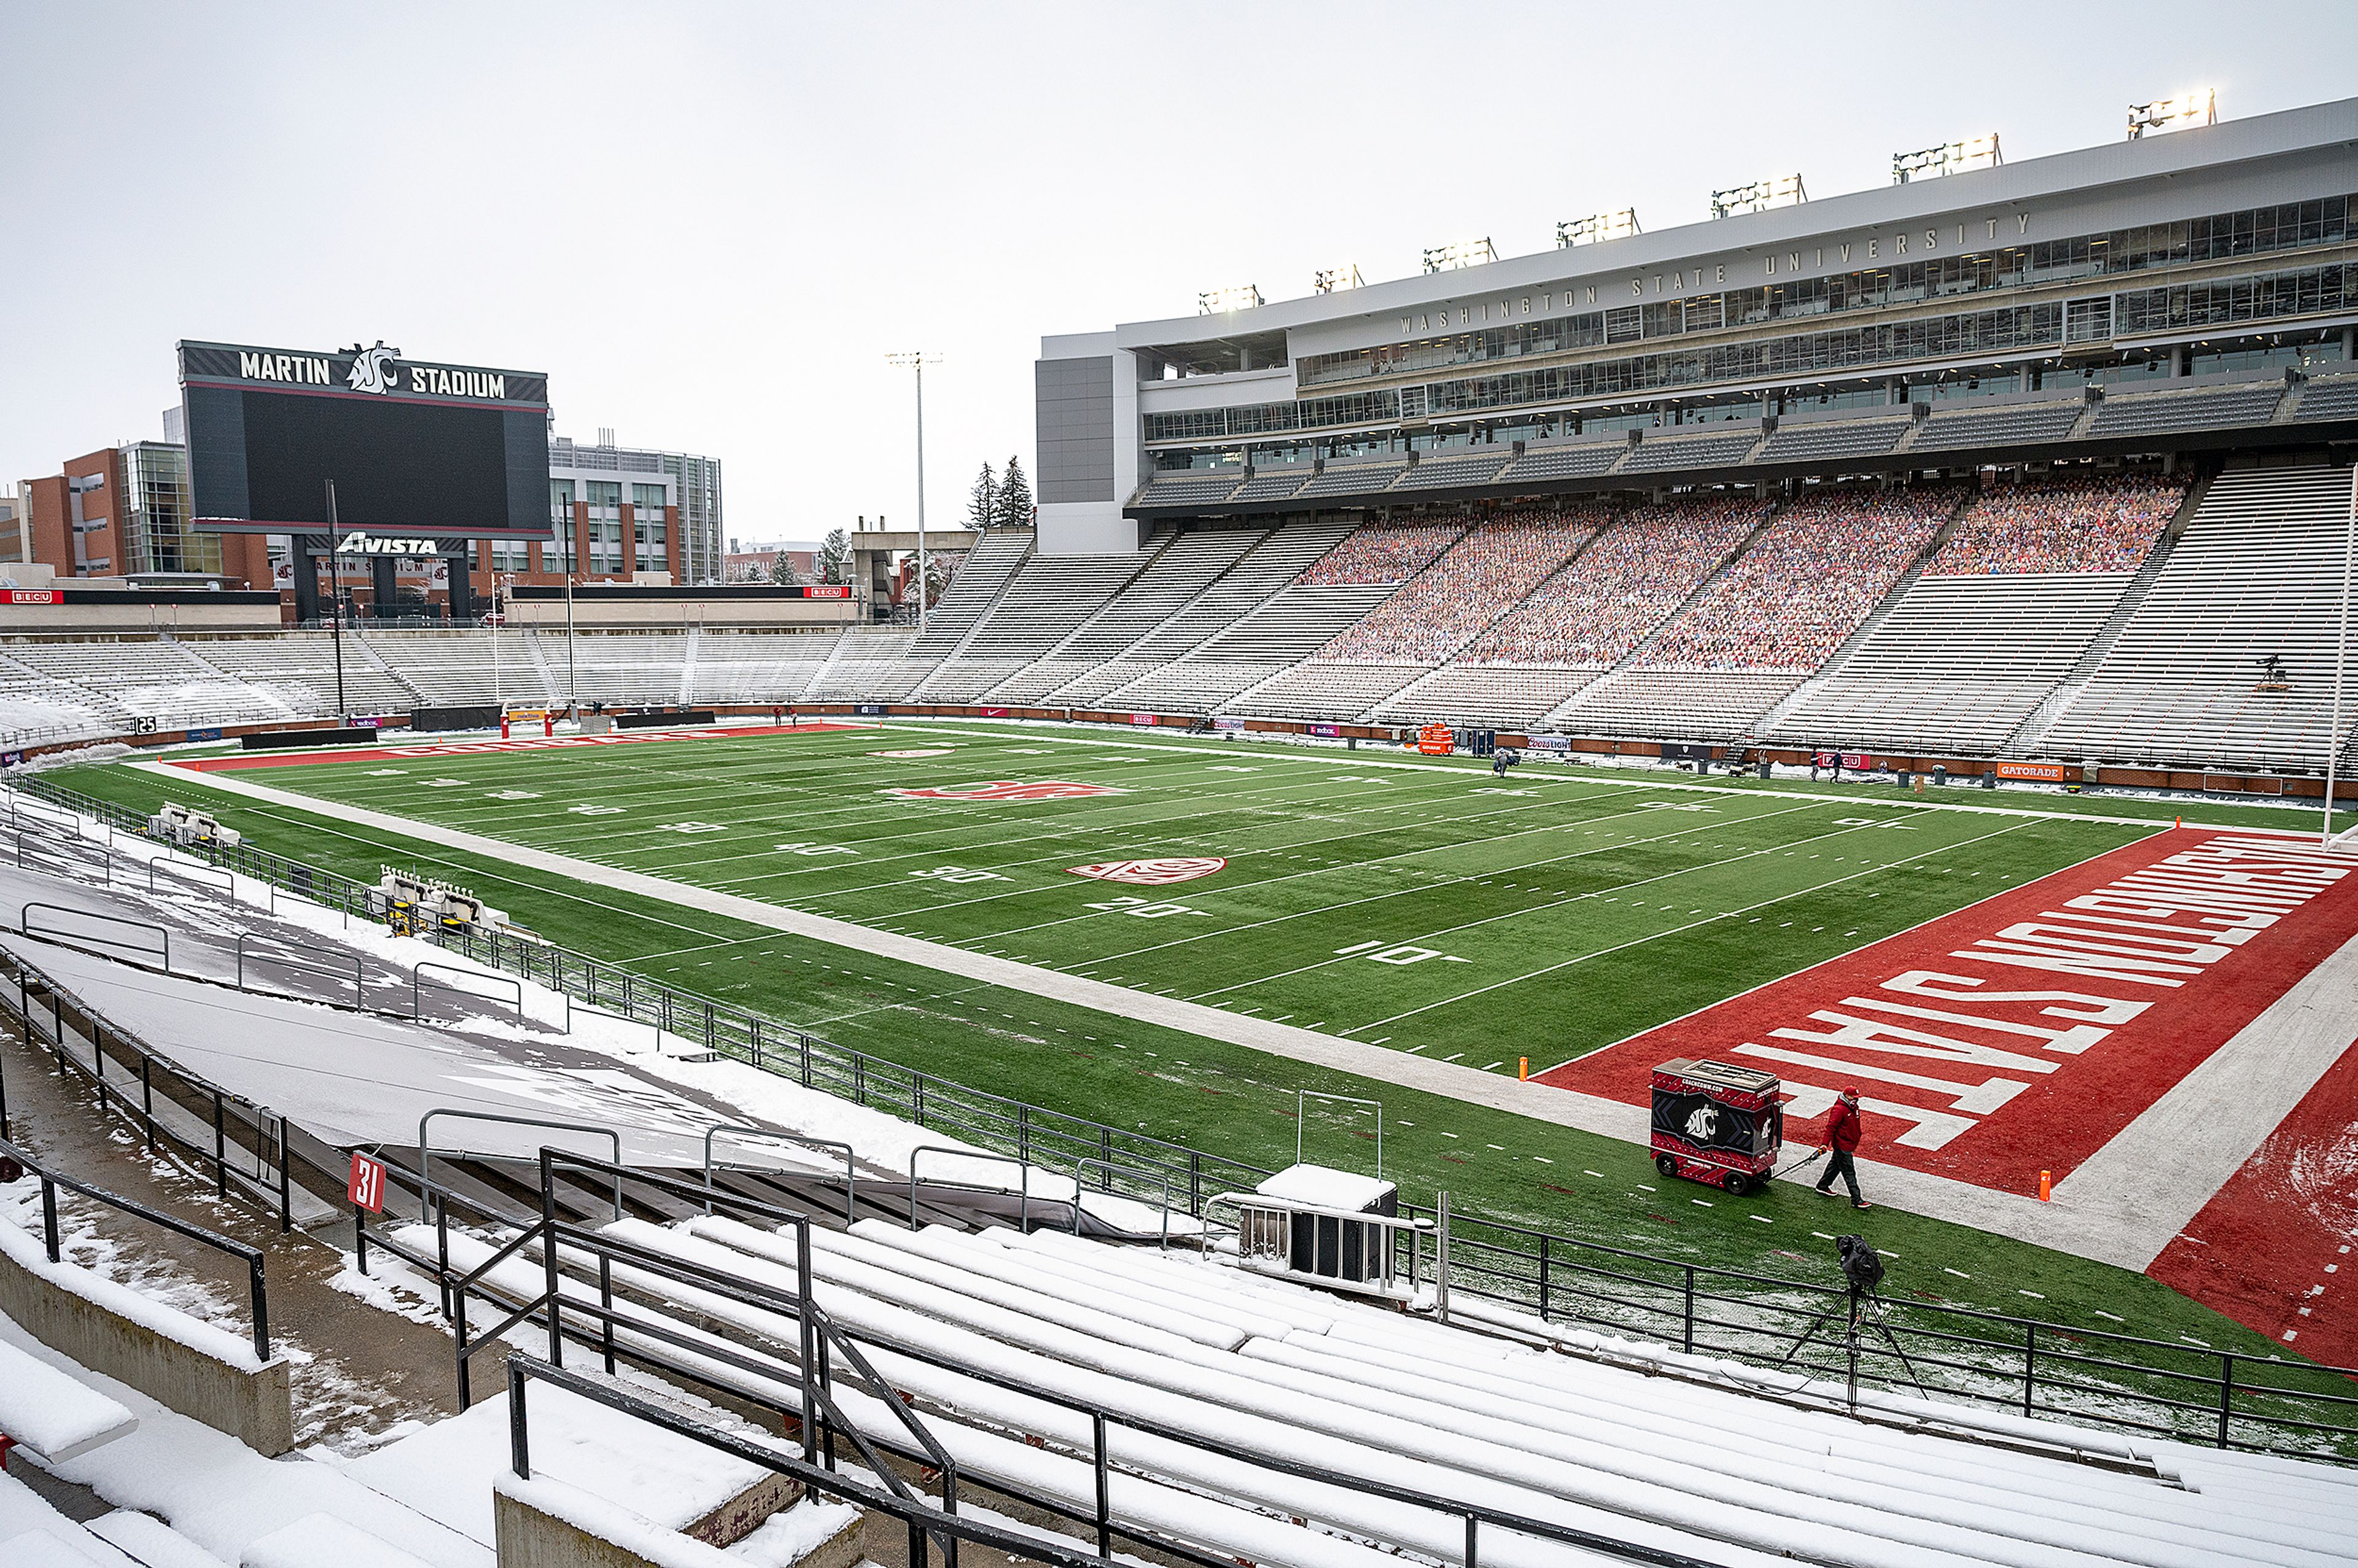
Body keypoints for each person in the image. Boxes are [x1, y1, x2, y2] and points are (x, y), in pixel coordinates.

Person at [1814, 1087, 1871, 1208]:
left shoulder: (1854, 1107)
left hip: (1848, 1144)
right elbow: (1831, 1128)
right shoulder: (1839, 1110)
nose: (1856, 1100)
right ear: (1847, 1096)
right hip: (1842, 1145)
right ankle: (1857, 1200)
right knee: (1849, 1172)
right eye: (1854, 1097)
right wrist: (1824, 1144)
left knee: (1835, 1165)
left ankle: (1823, 1186)